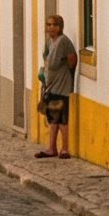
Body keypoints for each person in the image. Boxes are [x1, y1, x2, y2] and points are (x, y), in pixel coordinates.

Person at [35, 13, 78, 159]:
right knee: (53, 119)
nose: (51, 27)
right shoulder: (51, 42)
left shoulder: (63, 41)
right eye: (49, 24)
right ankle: (52, 148)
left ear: (60, 27)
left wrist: (64, 74)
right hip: (51, 86)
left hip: (60, 86)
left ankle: (65, 149)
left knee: (62, 119)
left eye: (54, 24)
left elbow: (71, 59)